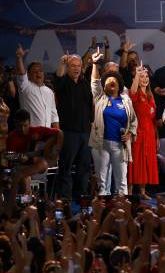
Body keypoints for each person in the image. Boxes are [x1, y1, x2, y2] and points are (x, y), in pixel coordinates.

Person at [90, 48, 138, 196]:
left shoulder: (125, 100)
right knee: (102, 181)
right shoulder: (100, 97)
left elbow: (134, 120)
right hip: (101, 143)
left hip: (120, 145)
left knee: (122, 181)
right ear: (103, 86)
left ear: (119, 85)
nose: (111, 82)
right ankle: (103, 210)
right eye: (108, 81)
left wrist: (130, 133)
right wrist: (94, 64)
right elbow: (94, 82)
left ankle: (122, 211)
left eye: (114, 80)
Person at [54, 53, 94, 199]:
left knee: (84, 166)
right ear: (68, 68)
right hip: (69, 132)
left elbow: (90, 105)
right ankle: (65, 197)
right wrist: (62, 64)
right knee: (66, 165)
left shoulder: (85, 83)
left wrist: (91, 121)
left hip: (85, 132)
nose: (76, 68)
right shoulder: (63, 82)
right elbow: (57, 78)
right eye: (73, 66)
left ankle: (81, 195)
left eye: (78, 66)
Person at [6, 109, 63, 197]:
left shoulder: (37, 130)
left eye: (25, 125)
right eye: (20, 126)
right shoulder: (11, 137)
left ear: (30, 122)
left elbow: (60, 133)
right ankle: (26, 204)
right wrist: (18, 158)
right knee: (25, 178)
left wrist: (56, 150)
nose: (23, 129)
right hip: (23, 167)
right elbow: (9, 157)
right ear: (15, 123)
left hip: (37, 166)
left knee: (42, 164)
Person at [128, 63, 159, 198]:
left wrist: (157, 137)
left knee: (146, 161)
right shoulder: (135, 94)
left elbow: (153, 119)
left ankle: (142, 191)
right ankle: (129, 191)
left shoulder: (150, 96)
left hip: (150, 133)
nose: (145, 79)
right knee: (134, 161)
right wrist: (137, 74)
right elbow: (132, 92)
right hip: (138, 132)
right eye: (142, 77)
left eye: (146, 76)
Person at [15, 44, 59, 129]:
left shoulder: (49, 92)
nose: (38, 73)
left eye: (40, 71)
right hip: (30, 133)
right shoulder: (25, 86)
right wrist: (19, 58)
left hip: (47, 134)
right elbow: (21, 73)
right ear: (29, 75)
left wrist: (57, 133)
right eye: (35, 72)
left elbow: (54, 114)